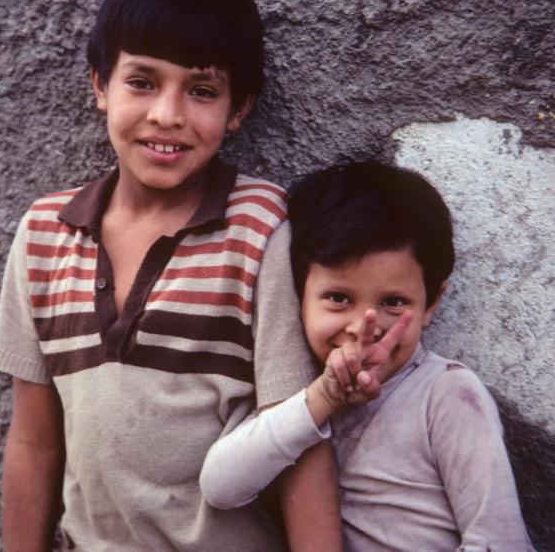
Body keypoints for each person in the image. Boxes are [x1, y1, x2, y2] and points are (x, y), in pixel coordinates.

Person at [0, 0, 343, 550]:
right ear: (100, 84)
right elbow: (34, 443)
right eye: (142, 82)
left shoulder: (259, 227)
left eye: (202, 90)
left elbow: (295, 433)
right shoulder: (44, 234)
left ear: (239, 106)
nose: (167, 115)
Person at [200, 161, 533, 550]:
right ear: (299, 295)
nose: (364, 326)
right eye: (338, 298)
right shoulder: (302, 400)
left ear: (431, 304)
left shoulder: (447, 395)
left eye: (394, 303)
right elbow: (219, 487)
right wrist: (320, 401)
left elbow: (501, 541)